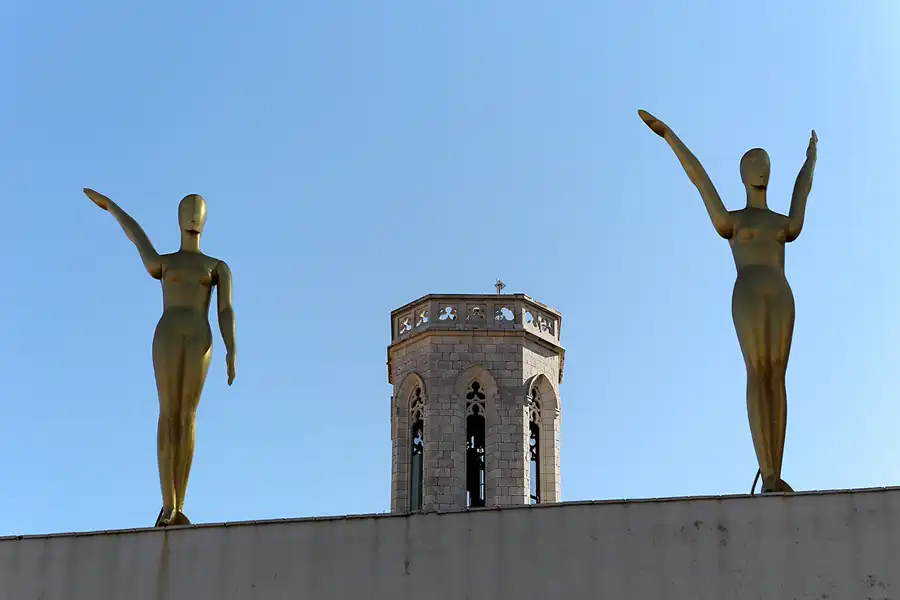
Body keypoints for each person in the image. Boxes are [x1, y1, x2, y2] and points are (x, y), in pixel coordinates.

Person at [638, 111, 817, 493]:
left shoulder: (782, 224)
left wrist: (810, 161)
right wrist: (671, 137)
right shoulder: (732, 221)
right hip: (749, 291)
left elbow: (802, 194)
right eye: (754, 165)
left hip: (780, 292)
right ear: (742, 173)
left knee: (778, 376)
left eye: (766, 165)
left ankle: (777, 472)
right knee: (758, 371)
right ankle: (767, 473)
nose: (761, 170)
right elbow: (700, 180)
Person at [84, 188, 237, 525]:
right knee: (168, 413)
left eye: (199, 210)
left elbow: (225, 309)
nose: (193, 214)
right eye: (188, 209)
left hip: (199, 335)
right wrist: (112, 207)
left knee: (188, 416)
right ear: (179, 218)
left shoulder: (217, 267)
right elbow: (138, 238)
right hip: (168, 334)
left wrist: (231, 348)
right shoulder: (165, 263)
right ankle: (168, 504)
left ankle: (179, 504)